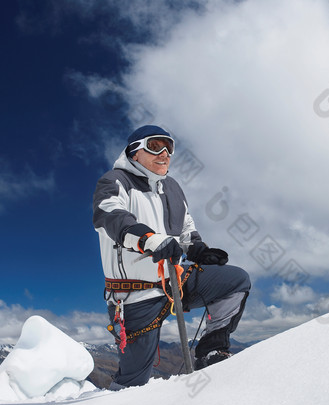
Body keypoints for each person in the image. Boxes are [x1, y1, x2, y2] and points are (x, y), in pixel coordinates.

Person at [92, 124, 250, 389]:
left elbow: (186, 228)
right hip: (135, 295)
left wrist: (197, 249)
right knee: (133, 384)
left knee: (236, 281)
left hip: (174, 279)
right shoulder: (115, 181)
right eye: (154, 146)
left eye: (169, 147)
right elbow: (110, 216)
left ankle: (210, 352)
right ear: (134, 152)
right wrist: (149, 240)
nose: (164, 153)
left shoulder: (172, 187)